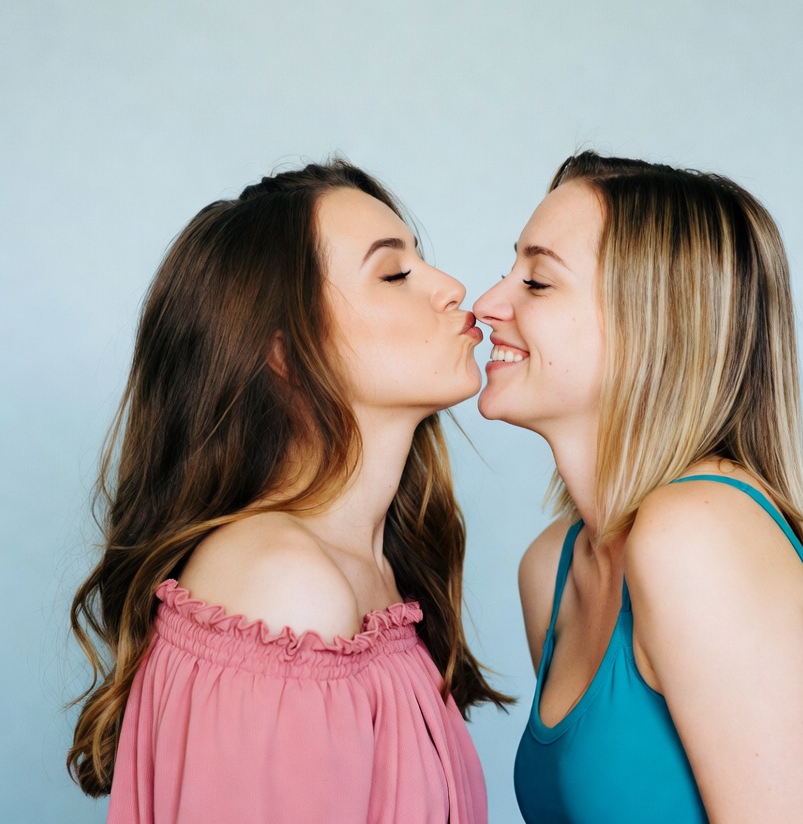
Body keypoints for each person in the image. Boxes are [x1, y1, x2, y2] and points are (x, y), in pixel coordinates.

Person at [68, 160, 507, 824]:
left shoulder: (371, 568)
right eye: (394, 274)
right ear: (284, 353)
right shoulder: (283, 587)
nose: (452, 288)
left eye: (423, 260)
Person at [473, 152, 803, 824]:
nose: (486, 304)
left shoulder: (696, 536)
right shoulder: (553, 569)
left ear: (651, 324)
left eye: (536, 282)